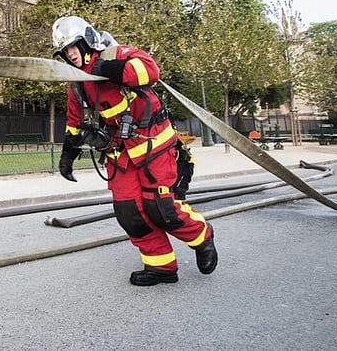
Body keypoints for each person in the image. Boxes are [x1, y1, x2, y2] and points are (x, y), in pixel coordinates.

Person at [51, 16, 217, 286]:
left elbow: (150, 70)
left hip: (153, 148)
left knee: (161, 207)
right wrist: (67, 155)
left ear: (86, 41)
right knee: (130, 213)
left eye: (73, 47)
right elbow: (73, 122)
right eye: (64, 52)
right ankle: (161, 267)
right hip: (120, 156)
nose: (70, 55)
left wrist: (110, 69)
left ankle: (202, 236)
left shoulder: (117, 54)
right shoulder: (77, 84)